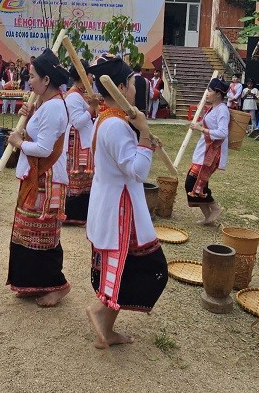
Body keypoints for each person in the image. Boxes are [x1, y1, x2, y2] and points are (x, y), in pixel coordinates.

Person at [85, 57, 168, 348]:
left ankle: (106, 330)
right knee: (132, 264)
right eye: (132, 83)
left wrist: (144, 141)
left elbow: (128, 161)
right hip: (121, 209)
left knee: (126, 265)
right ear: (120, 87)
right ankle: (99, 310)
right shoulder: (115, 125)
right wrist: (143, 133)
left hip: (115, 202)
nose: (135, 88)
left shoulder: (108, 120)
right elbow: (137, 171)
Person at [5, 48, 70, 307]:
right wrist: (31, 116)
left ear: (46, 80)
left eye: (32, 76)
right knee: (28, 232)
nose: (29, 81)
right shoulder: (47, 104)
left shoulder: (54, 107)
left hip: (46, 178)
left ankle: (57, 286)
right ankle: (31, 283)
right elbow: (41, 134)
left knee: (43, 235)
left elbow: (44, 148)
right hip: (36, 176)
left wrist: (19, 142)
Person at [185, 78, 229, 225]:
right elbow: (208, 124)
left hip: (212, 151)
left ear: (218, 93)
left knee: (193, 181)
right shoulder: (213, 108)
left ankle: (215, 208)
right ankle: (208, 216)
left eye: (209, 91)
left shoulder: (222, 110)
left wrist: (202, 129)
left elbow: (223, 132)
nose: (207, 93)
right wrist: (198, 124)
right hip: (203, 148)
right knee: (196, 182)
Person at [63, 60, 97, 225]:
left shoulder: (80, 94)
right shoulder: (73, 96)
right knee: (76, 177)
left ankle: (82, 213)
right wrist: (91, 109)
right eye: (90, 75)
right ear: (82, 75)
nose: (92, 78)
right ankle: (72, 214)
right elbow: (77, 122)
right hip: (76, 143)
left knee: (84, 179)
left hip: (82, 142)